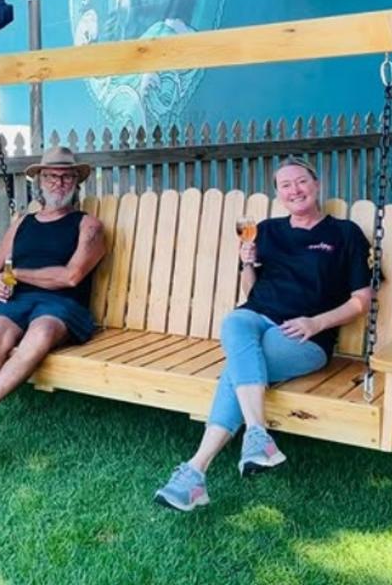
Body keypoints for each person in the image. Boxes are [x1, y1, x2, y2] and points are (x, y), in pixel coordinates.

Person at [155, 157, 373, 511]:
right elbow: (251, 293)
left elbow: (361, 301)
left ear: (316, 186)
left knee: (236, 370)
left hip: (305, 336)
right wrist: (247, 262)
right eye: (285, 185)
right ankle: (257, 436)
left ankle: (195, 472)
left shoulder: (344, 233)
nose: (294, 190)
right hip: (258, 316)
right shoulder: (267, 230)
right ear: (278, 194)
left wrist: (316, 323)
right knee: (233, 322)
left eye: (301, 182)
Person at [0, 146, 106, 471]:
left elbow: (71, 277)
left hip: (61, 305)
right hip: (16, 302)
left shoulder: (89, 226)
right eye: (51, 176)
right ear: (40, 181)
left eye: (66, 176)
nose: (59, 182)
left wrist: (16, 275)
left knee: (41, 331)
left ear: (76, 182)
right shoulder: (22, 223)